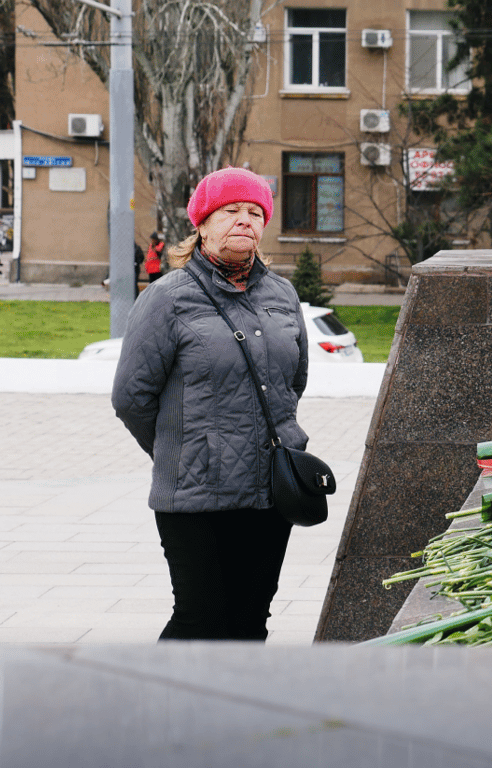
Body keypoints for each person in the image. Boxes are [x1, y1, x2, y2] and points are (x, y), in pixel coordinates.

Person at [111, 167, 309, 641]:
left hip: (269, 491)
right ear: (201, 223)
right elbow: (131, 397)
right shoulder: (167, 298)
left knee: (249, 621)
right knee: (200, 620)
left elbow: (292, 384)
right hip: (195, 495)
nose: (245, 220)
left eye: (254, 212)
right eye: (230, 211)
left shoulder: (283, 295)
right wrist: (180, 447)